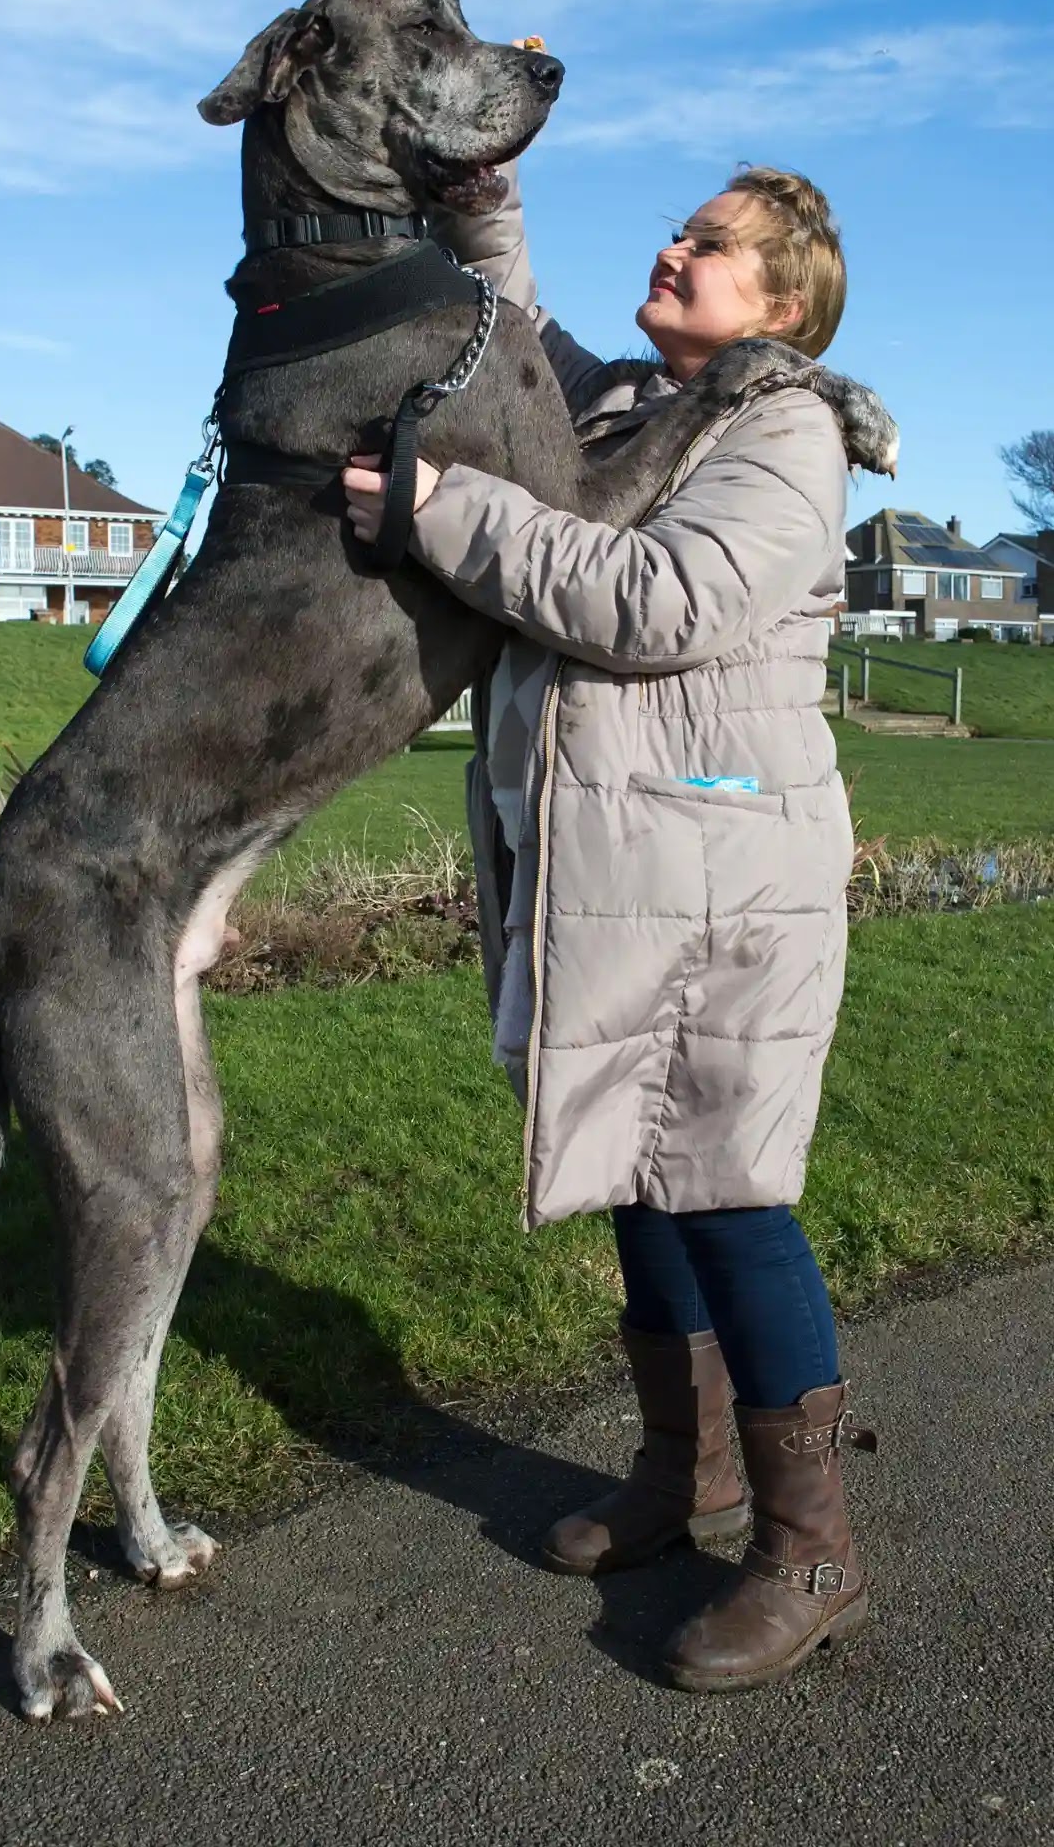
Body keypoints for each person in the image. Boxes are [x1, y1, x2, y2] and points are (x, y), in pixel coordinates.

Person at [343, 160, 880, 1693]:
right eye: (679, 228)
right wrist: (485, 206)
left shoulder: (784, 432)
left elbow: (654, 601)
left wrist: (443, 511)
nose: (675, 245)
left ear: (782, 308)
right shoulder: (641, 413)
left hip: (723, 877)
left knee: (726, 1192)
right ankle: (685, 1470)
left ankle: (811, 1547)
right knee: (640, 1175)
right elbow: (520, 343)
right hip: (617, 869)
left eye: (709, 245)